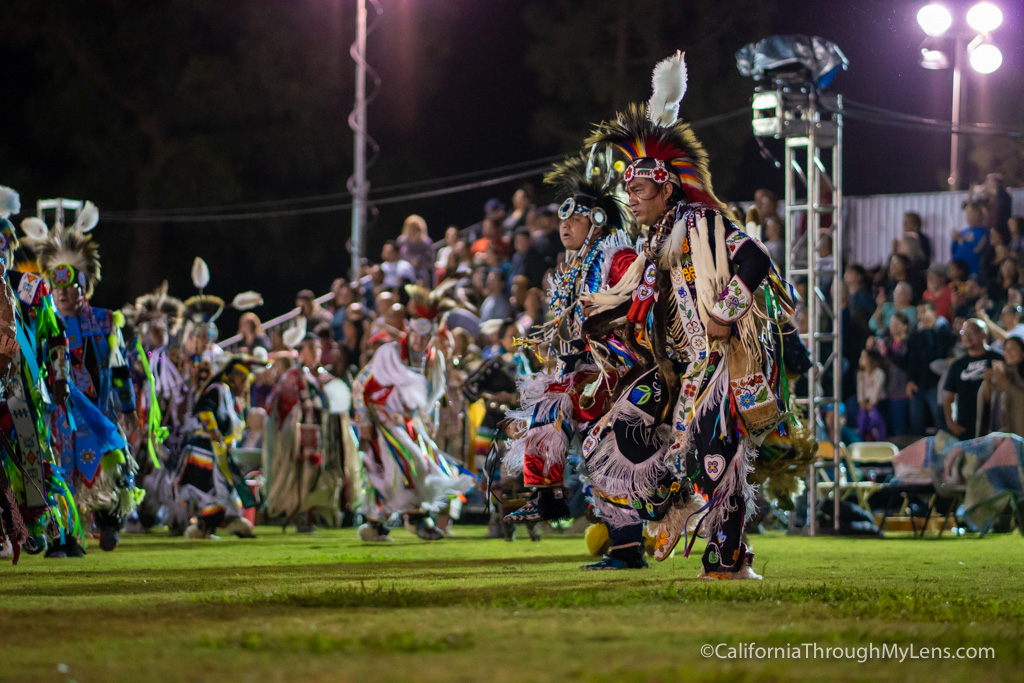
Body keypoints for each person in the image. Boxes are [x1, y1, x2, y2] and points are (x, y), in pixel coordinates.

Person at [583, 52, 799, 578]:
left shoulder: (700, 219)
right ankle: (683, 543)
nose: (630, 199)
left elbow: (754, 257)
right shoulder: (657, 238)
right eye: (627, 190)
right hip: (685, 370)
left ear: (667, 185)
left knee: (715, 458)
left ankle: (727, 560)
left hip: (724, 358)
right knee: (615, 440)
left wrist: (726, 311)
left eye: (639, 189)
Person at [500, 152, 637, 559]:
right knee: (588, 451)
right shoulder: (570, 268)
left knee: (605, 457)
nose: (564, 225)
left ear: (596, 221)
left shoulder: (617, 257)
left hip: (611, 371)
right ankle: (551, 496)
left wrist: (596, 326)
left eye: (575, 218)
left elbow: (634, 302)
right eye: (563, 218)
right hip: (579, 372)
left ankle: (625, 544)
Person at [36, 204, 140, 551]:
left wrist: (128, 407)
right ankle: (62, 533)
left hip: (96, 410)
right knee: (61, 472)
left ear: (83, 288)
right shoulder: (44, 324)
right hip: (59, 413)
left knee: (110, 463)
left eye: (70, 287)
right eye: (58, 287)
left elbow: (121, 367)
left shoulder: (106, 321)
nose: (63, 294)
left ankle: (110, 522)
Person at [351, 312, 473, 541]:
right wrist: (364, 418)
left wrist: (429, 422)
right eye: (416, 335)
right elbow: (360, 384)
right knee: (393, 471)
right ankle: (375, 524)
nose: (419, 341)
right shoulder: (390, 353)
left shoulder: (432, 358)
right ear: (410, 331)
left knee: (422, 467)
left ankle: (417, 519)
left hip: (409, 425)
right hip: (381, 422)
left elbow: (433, 394)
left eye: (425, 337)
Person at [174, 354, 261, 539]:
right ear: (236, 377)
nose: (245, 386)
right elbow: (205, 409)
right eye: (244, 381)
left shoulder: (228, 394)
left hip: (216, 450)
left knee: (221, 488)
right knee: (212, 490)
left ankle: (221, 525)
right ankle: (209, 527)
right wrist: (213, 430)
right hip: (206, 449)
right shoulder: (218, 390)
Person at [263, 333, 341, 532]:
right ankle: (298, 516)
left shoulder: (324, 376)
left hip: (323, 435)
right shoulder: (294, 376)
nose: (316, 353)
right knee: (301, 475)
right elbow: (280, 406)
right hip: (298, 436)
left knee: (317, 475)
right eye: (311, 349)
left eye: (318, 348)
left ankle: (310, 515)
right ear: (301, 352)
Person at [944, 319, 1002, 440]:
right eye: (963, 333)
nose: (967, 337)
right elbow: (949, 397)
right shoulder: (958, 364)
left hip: (994, 426)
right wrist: (950, 423)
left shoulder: (998, 358)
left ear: (984, 334)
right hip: (965, 427)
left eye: (972, 332)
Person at [902, 303, 953, 435]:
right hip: (918, 383)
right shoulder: (916, 332)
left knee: (940, 417)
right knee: (916, 418)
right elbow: (912, 358)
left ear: (934, 312)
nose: (921, 315)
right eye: (919, 312)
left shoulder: (942, 330)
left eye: (924, 311)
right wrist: (910, 379)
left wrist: (929, 330)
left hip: (936, 383)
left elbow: (938, 352)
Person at [983, 336, 1024, 436]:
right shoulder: (1001, 373)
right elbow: (987, 400)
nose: (1008, 352)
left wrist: (1006, 385)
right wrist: (987, 382)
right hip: (1001, 432)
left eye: (1013, 348)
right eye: (1005, 349)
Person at [951, 200, 989, 276]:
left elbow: (978, 249)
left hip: (973, 272)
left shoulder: (983, 232)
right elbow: (954, 250)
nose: (967, 216)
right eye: (966, 213)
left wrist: (962, 238)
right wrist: (954, 239)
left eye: (970, 213)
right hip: (958, 273)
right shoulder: (963, 232)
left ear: (979, 214)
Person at [856, 348, 887, 441]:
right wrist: (861, 401)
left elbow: (876, 389)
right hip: (866, 403)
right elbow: (860, 388)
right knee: (862, 421)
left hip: (878, 402)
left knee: (877, 424)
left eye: (864, 357)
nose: (861, 359)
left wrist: (872, 402)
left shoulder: (878, 373)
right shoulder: (861, 373)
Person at [397, 214, 435, 285]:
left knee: (423, 275)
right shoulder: (401, 241)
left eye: (415, 228)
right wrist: (409, 262)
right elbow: (398, 256)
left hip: (421, 271)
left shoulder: (426, 242)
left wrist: (419, 261)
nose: (413, 230)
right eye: (411, 228)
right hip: (405, 270)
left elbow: (431, 260)